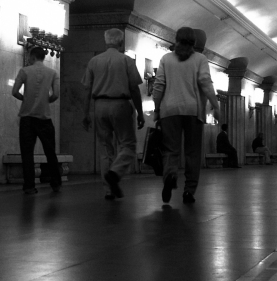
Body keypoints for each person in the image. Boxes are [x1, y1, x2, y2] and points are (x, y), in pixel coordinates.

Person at [153, 27, 220, 204]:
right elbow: (205, 82)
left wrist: (157, 108)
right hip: (193, 111)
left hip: (169, 111)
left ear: (176, 40)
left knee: (170, 150)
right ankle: (189, 191)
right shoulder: (200, 59)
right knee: (192, 153)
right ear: (194, 43)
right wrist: (215, 105)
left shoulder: (166, 59)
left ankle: (170, 175)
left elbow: (159, 85)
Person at [81, 28, 145, 200]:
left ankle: (108, 190)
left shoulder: (94, 61)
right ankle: (115, 174)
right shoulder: (127, 61)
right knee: (128, 145)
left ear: (106, 41)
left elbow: (87, 89)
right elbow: (134, 89)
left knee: (105, 149)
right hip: (121, 104)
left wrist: (86, 113)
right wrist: (140, 112)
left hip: (99, 105)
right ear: (121, 42)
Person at [12, 47, 61, 195]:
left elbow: (14, 91)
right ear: (43, 57)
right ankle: (56, 183)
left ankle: (29, 186)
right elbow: (56, 94)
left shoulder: (24, 71)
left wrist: (25, 99)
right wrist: (46, 101)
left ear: (32, 56)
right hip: (44, 118)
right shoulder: (53, 73)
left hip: (27, 118)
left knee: (27, 153)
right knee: (50, 152)